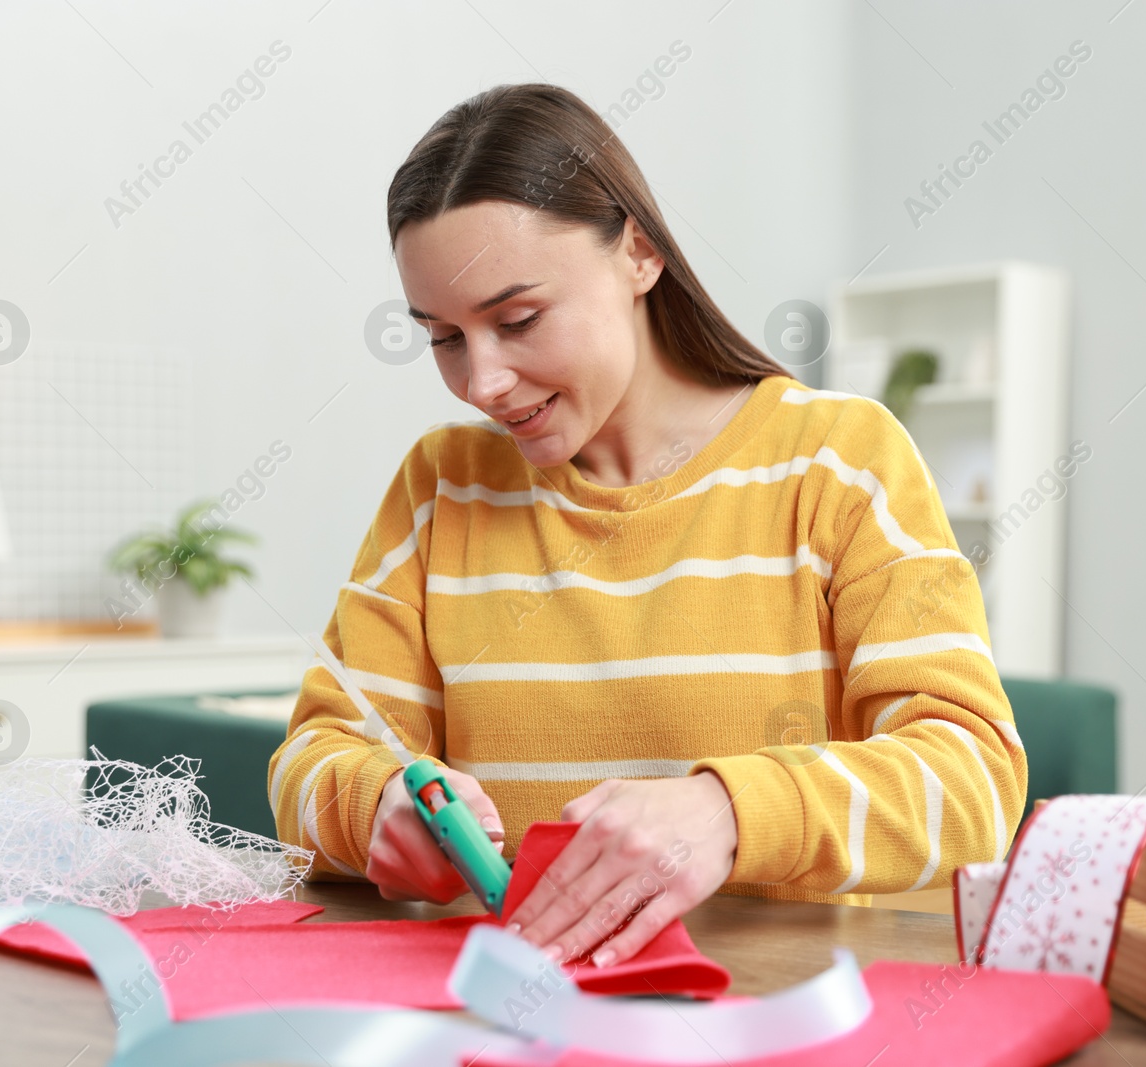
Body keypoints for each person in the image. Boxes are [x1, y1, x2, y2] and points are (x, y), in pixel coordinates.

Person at [269, 82, 1025, 969]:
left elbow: (973, 780)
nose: (483, 384)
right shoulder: (444, 486)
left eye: (518, 320)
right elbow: (307, 761)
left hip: (764, 1022)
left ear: (639, 254)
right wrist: (377, 805)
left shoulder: (837, 460)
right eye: (442, 337)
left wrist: (728, 811)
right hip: (512, 1021)